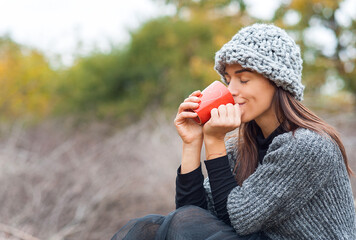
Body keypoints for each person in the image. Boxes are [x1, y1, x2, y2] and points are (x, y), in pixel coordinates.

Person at [111, 23, 356, 240]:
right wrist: (192, 143)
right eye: (228, 80)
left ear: (278, 82)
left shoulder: (308, 146)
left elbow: (240, 220)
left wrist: (214, 141)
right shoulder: (241, 149)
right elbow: (193, 215)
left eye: (244, 79)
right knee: (148, 227)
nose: (232, 90)